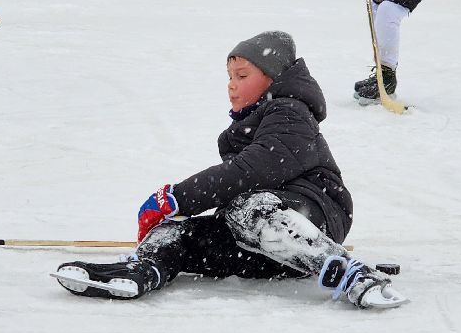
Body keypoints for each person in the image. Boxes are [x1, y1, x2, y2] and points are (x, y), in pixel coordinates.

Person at [52, 31, 405, 310]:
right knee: (180, 232)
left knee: (247, 207)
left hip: (316, 212)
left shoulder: (290, 113)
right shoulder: (249, 125)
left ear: (273, 79)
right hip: (263, 246)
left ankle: (343, 270)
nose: (231, 84)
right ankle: (143, 270)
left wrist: (176, 197)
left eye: (242, 75)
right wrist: (172, 219)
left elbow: (251, 170)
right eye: (229, 76)